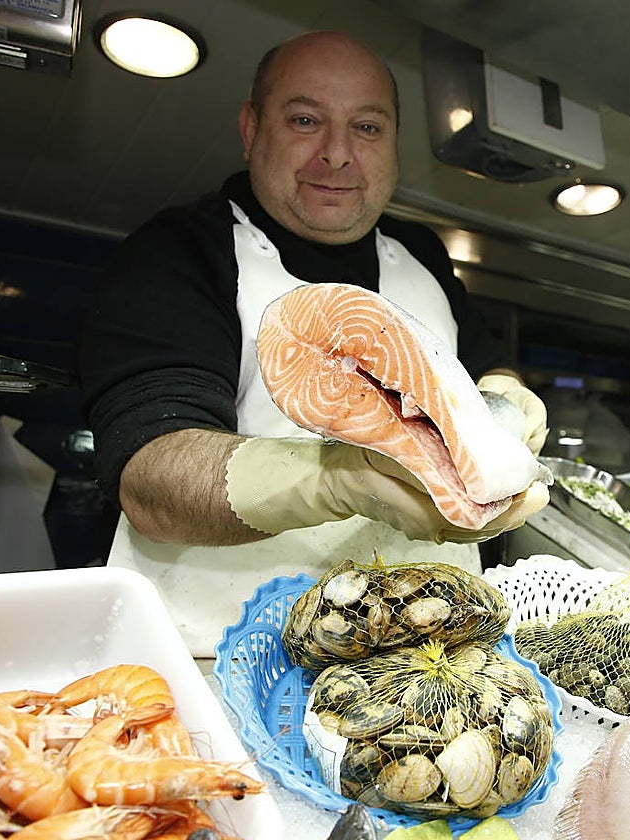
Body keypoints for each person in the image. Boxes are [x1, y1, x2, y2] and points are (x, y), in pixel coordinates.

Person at [77, 30, 549, 656]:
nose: (337, 153)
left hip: (430, 662)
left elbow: (485, 365)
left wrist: (505, 401)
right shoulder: (181, 252)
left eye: (369, 128)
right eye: (305, 119)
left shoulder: (423, 256)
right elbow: (150, 473)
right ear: (251, 129)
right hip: (210, 655)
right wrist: (337, 480)